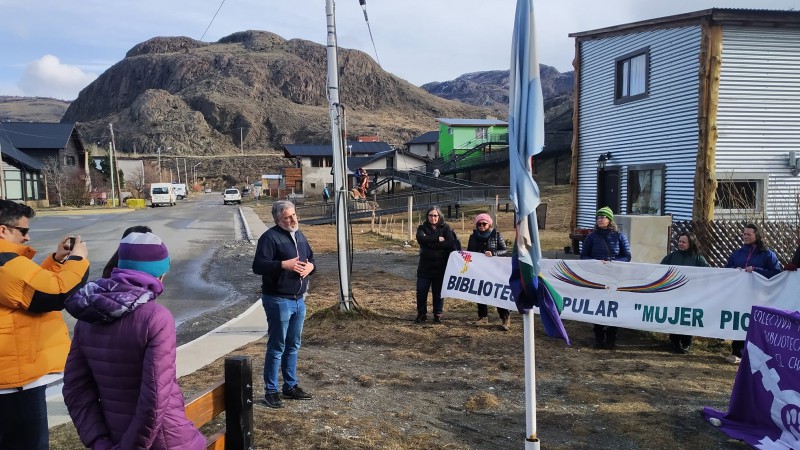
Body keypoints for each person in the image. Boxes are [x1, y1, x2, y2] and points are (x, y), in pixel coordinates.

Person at [63, 231, 205, 450]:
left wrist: (97, 441)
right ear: (159, 275)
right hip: (165, 439)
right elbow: (155, 398)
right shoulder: (156, 318)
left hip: (113, 436)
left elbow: (75, 388)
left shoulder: (87, 317)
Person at [0, 199, 89, 450]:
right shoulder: (5, 264)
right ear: (2, 230)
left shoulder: (8, 266)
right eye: (23, 231)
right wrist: (78, 260)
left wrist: (57, 261)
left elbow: (26, 290)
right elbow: (53, 295)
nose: (27, 238)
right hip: (13, 382)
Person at [253, 200, 316, 408]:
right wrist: (282, 265)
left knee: (293, 346)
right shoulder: (269, 238)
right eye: (287, 217)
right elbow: (258, 266)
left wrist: (311, 268)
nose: (292, 220)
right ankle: (271, 390)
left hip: (299, 299)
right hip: (278, 299)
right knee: (277, 346)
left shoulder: (299, 235)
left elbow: (312, 259)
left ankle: (290, 386)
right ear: (277, 219)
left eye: (294, 215)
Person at [724, 223, 781, 364]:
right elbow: (726, 270)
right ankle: (737, 352)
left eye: (749, 234)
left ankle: (757, 353)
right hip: (739, 295)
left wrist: (756, 270)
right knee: (739, 322)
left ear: (757, 235)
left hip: (758, 295)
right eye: (744, 234)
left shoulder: (768, 254)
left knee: (755, 324)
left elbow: (776, 274)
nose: (745, 236)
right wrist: (734, 270)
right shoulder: (737, 253)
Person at [580, 206, 631, 350]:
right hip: (597, 276)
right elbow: (584, 255)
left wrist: (613, 263)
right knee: (598, 305)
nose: (600, 220)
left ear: (609, 220)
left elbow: (627, 256)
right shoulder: (591, 237)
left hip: (615, 276)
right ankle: (599, 337)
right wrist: (596, 263)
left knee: (613, 306)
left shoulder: (619, 236)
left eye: (603, 217)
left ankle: (611, 337)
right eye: (598, 217)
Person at [660, 232, 708, 354]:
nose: (680, 244)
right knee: (675, 318)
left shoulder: (698, 258)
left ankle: (686, 342)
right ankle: (675, 342)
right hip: (674, 294)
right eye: (679, 241)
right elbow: (661, 271)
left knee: (687, 318)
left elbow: (708, 274)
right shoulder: (671, 257)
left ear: (690, 243)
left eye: (684, 242)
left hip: (691, 295)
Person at [415, 205, 457, 324]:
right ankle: (421, 314)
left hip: (440, 268)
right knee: (421, 291)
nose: (433, 218)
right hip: (424, 268)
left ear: (439, 216)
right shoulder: (422, 228)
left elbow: (449, 243)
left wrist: (431, 243)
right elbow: (421, 239)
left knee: (438, 293)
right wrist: (438, 239)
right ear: (427, 216)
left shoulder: (446, 228)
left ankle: (437, 315)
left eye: (435, 215)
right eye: (430, 215)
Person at [467, 213, 510, 330]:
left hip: (494, 270)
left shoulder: (496, 235)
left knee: (497, 292)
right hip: (479, 269)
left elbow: (505, 250)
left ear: (489, 224)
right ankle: (482, 316)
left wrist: (493, 253)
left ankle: (505, 317)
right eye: (479, 224)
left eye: (484, 224)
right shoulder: (473, 237)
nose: (481, 226)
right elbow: (469, 252)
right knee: (480, 292)